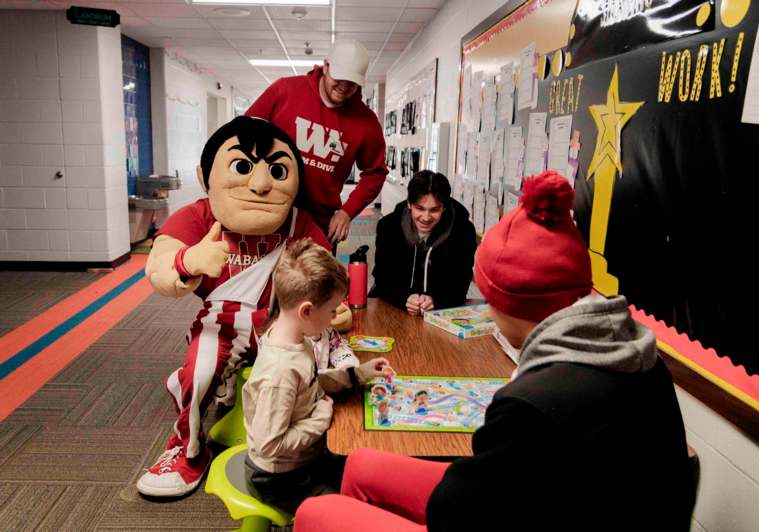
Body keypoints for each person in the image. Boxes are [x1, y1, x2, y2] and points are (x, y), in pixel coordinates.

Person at [292, 171, 695, 531]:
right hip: (556, 504)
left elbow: (456, 513)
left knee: (315, 512)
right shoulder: (643, 360)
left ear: (504, 304)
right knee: (361, 463)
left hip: (509, 514)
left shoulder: (528, 404)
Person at [136, 117, 330, 498]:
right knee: (202, 368)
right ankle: (188, 450)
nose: (260, 184)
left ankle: (310, 445)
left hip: (283, 323)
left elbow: (322, 267)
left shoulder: (297, 221)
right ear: (205, 176)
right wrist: (187, 261)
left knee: (326, 368)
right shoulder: (199, 215)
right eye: (243, 167)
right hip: (222, 324)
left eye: (275, 171)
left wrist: (327, 305)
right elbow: (157, 267)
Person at [243, 240, 394, 513]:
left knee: (370, 475)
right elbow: (270, 445)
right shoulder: (280, 371)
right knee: (357, 509)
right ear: (307, 311)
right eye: (333, 310)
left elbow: (312, 381)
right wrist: (321, 418)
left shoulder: (296, 338)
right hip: (279, 477)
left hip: (304, 458)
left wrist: (358, 374)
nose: (336, 316)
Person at [246, 39, 388, 245]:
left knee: (316, 277)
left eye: (352, 83)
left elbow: (375, 173)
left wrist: (347, 212)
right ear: (326, 66)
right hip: (269, 208)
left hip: (320, 221)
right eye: (339, 78)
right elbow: (243, 134)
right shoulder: (285, 91)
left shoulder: (366, 122)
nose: (344, 87)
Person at [370, 170, 477, 316]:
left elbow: (461, 282)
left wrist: (436, 301)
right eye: (419, 209)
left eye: (434, 210)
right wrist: (404, 298)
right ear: (409, 203)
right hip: (394, 307)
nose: (426, 218)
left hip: (439, 312)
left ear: (444, 207)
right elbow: (382, 277)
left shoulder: (463, 231)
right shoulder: (389, 226)